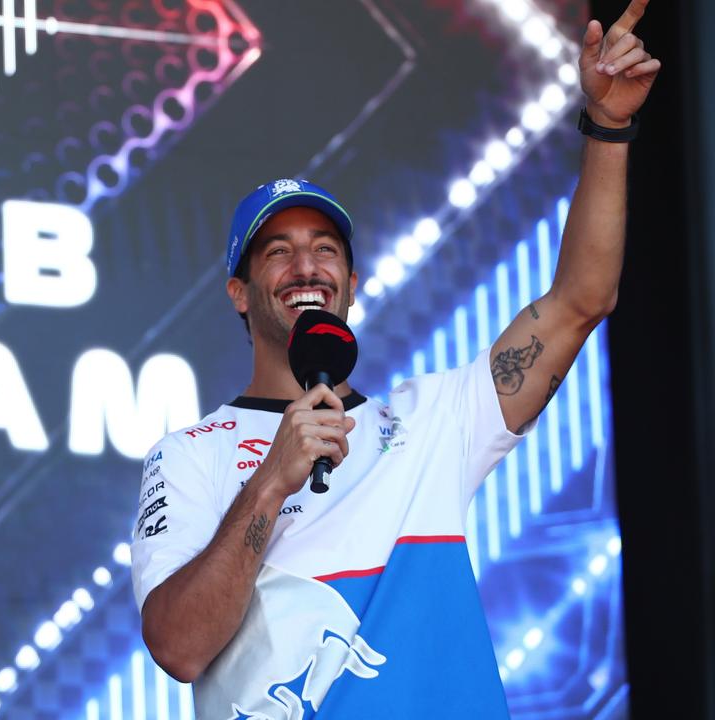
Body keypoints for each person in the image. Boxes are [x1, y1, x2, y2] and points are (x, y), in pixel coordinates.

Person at [130, 2, 659, 717]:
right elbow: (179, 648)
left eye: (325, 249)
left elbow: (579, 301)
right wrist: (269, 484)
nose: (305, 265)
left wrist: (609, 128)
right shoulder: (191, 456)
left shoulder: (431, 420)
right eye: (277, 251)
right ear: (238, 292)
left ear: (351, 284)